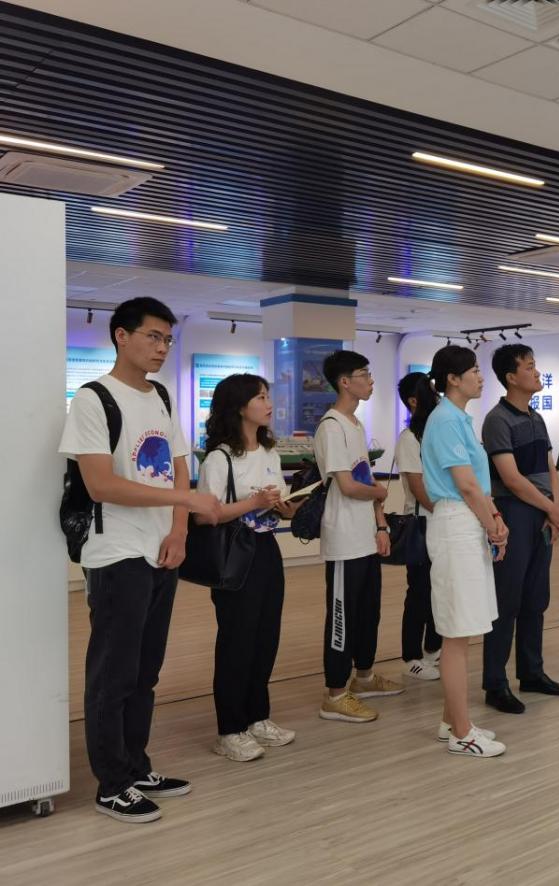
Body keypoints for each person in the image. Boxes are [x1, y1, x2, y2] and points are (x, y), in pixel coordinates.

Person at [59, 296, 221, 823]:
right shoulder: (93, 399)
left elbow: (179, 465)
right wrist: (184, 501)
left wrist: (179, 530)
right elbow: (100, 484)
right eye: (153, 336)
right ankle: (112, 784)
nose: (162, 347)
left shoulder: (162, 396)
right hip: (115, 552)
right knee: (114, 672)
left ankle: (135, 766)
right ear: (121, 336)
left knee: (145, 671)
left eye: (168, 339)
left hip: (160, 549)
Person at [197, 374, 300, 762]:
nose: (269, 403)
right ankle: (230, 729)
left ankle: (257, 717)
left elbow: (277, 502)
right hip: (234, 554)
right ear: (240, 407)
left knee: (266, 637)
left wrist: (285, 507)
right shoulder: (220, 458)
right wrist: (252, 503)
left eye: (268, 396)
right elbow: (206, 515)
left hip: (266, 548)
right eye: (260, 397)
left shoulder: (270, 454)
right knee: (237, 640)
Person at [416, 345, 507, 757]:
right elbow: (466, 485)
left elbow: (477, 485)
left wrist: (493, 519)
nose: (480, 377)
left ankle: (451, 720)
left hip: (468, 522)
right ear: (453, 379)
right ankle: (461, 733)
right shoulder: (445, 420)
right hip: (456, 524)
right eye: (474, 371)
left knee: (464, 628)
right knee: (455, 634)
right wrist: (492, 525)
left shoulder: (458, 419)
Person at [314, 349, 403, 723]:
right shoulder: (332, 427)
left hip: (365, 536)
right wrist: (379, 492)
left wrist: (380, 525)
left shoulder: (355, 425)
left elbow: (363, 480)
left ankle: (363, 677)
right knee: (342, 618)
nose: (371, 380)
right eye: (364, 374)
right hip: (343, 539)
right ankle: (335, 694)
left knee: (368, 613)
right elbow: (349, 485)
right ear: (344, 382)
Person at [481, 344, 559, 714]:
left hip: (542, 513)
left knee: (536, 597)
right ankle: (495, 683)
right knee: (507, 600)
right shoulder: (497, 420)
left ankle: (532, 672)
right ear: (511, 377)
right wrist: (550, 507)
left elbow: (549, 465)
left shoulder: (536, 417)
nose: (537, 372)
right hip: (515, 512)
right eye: (530, 367)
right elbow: (512, 479)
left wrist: (555, 507)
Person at [394, 371, 441, 681]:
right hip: (423, 524)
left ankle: (433, 648)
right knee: (420, 592)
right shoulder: (409, 438)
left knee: (441, 590)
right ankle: (411, 656)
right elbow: (417, 486)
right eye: (429, 391)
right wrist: (444, 510)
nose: (435, 396)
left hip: (442, 523)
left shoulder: (434, 433)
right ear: (413, 401)